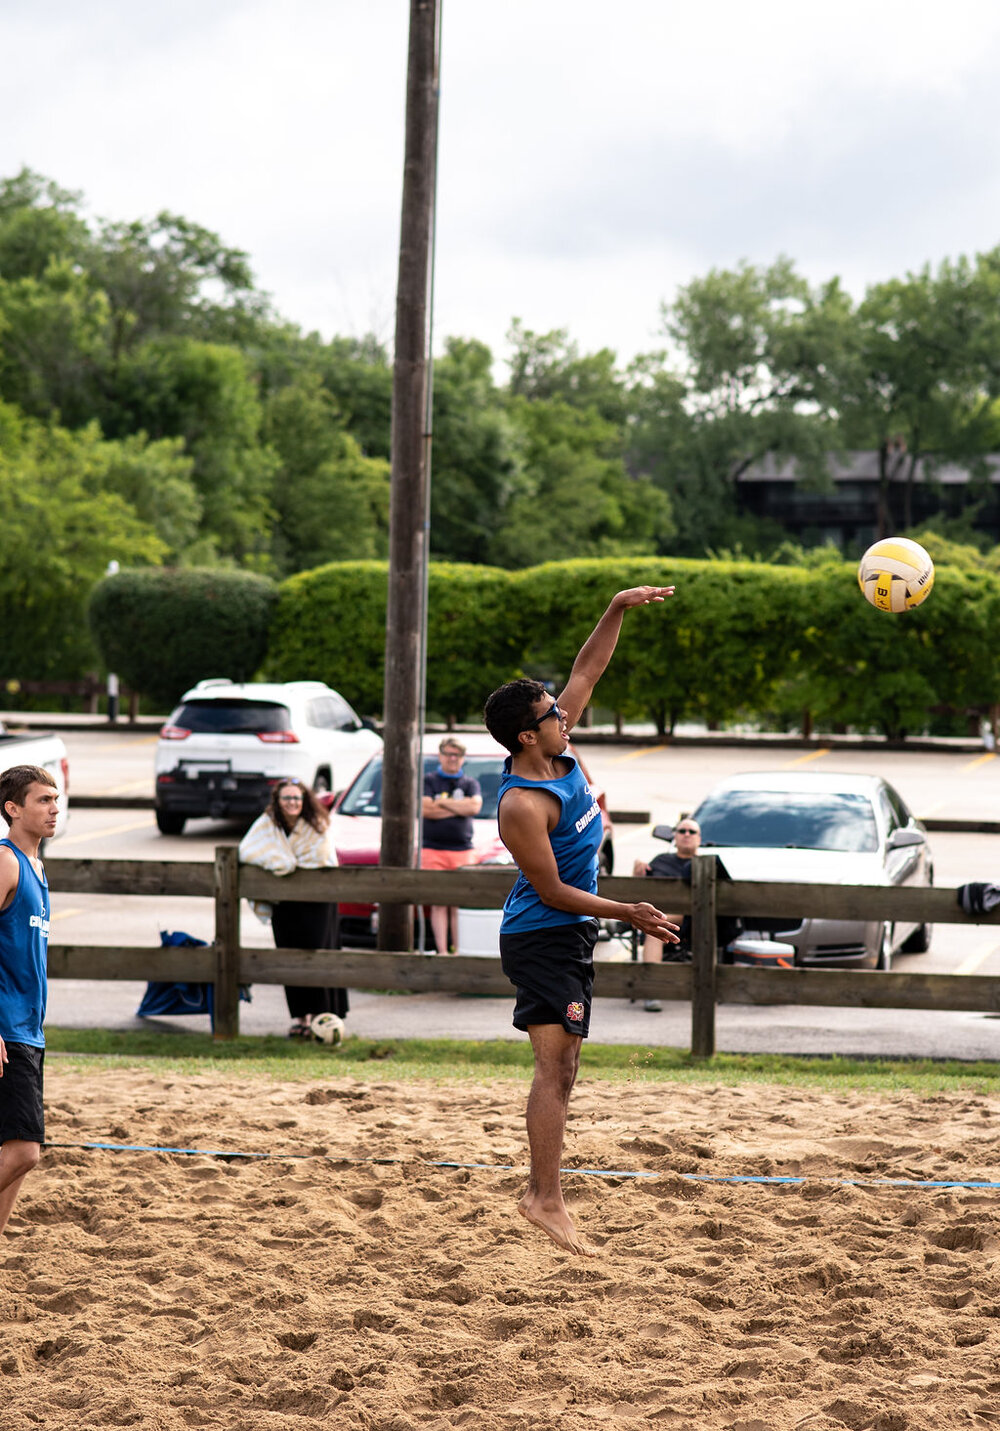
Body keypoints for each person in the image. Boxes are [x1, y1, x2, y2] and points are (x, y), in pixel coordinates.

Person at [484, 586, 680, 1256]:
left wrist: (617, 608)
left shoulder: (559, 749)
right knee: (554, 1066)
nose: (563, 713)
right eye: (549, 713)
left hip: (566, 933)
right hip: (543, 933)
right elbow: (556, 890)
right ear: (525, 735)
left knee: (563, 1068)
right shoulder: (521, 805)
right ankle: (544, 1197)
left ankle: (544, 1192)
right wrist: (628, 910)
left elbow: (588, 669)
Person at [0, 765, 59, 1239]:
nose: (54, 809)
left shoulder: (38, 866)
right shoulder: (5, 862)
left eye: (56, 799)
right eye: (42, 800)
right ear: (12, 809)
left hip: (29, 1028)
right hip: (6, 1029)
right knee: (24, 1151)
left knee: (13, 1161)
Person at [239, 780, 346, 1038]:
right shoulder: (266, 825)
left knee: (317, 957)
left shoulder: (317, 826)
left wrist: (289, 865)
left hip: (316, 903)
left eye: (297, 798)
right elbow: (248, 850)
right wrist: (281, 861)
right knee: (289, 959)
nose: (292, 803)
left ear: (304, 800)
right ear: (278, 801)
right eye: (287, 798)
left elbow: (322, 857)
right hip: (284, 904)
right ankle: (301, 1018)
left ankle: (322, 1020)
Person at [631, 817, 701, 1012]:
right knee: (654, 929)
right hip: (659, 917)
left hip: (693, 918)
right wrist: (637, 870)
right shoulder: (661, 860)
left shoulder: (704, 864)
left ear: (699, 838)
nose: (686, 835)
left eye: (691, 832)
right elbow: (637, 889)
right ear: (675, 837)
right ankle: (652, 990)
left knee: (655, 925)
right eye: (682, 831)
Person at [420, 737, 483, 954]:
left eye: (456, 755)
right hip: (432, 849)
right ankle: (442, 952)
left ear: (463, 758)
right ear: (440, 756)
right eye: (448, 754)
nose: (452, 759)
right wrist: (459, 807)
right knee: (439, 902)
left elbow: (474, 807)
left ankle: (458, 950)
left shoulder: (470, 783)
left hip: (463, 851)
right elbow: (426, 809)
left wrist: (442, 803)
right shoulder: (428, 780)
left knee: (458, 903)